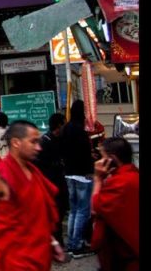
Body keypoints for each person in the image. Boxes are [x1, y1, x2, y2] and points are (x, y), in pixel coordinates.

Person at [0, 121, 67, 271]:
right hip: (12, 258)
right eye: (33, 142)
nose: (38, 147)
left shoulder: (34, 173)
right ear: (16, 142)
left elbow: (37, 214)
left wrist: (52, 241)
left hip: (38, 254)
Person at [90, 137, 139, 271]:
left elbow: (95, 208)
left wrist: (98, 179)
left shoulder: (120, 182)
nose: (98, 161)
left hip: (124, 256)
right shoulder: (133, 174)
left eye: (102, 157)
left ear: (111, 159)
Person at [60, 99, 95, 257]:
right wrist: (90, 169)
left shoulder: (66, 128)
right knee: (83, 211)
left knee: (74, 210)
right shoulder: (80, 130)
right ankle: (78, 245)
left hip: (69, 173)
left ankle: (72, 244)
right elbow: (84, 153)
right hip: (82, 175)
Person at [33, 113, 68, 244]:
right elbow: (39, 163)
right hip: (50, 182)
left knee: (61, 209)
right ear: (59, 125)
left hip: (59, 181)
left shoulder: (59, 139)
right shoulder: (46, 141)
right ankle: (55, 239)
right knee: (55, 211)